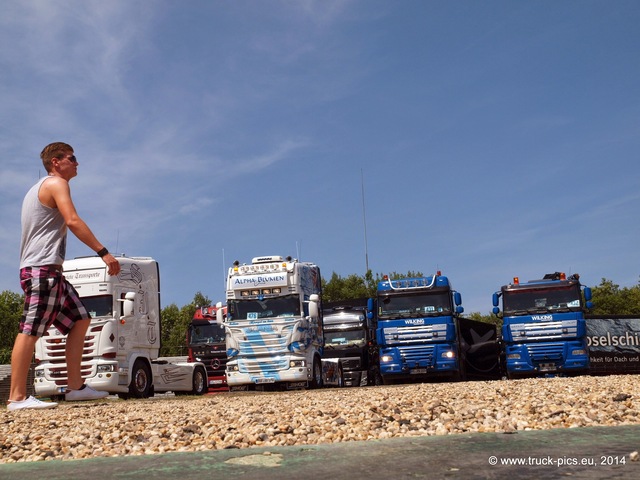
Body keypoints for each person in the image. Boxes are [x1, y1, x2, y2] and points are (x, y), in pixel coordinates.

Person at [7, 142, 122, 411]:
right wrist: (103, 253)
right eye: (73, 158)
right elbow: (72, 220)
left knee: (80, 319)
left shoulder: (41, 188)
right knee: (30, 330)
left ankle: (75, 386)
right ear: (56, 162)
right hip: (41, 271)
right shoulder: (56, 184)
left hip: (51, 273)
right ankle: (17, 398)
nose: (77, 163)